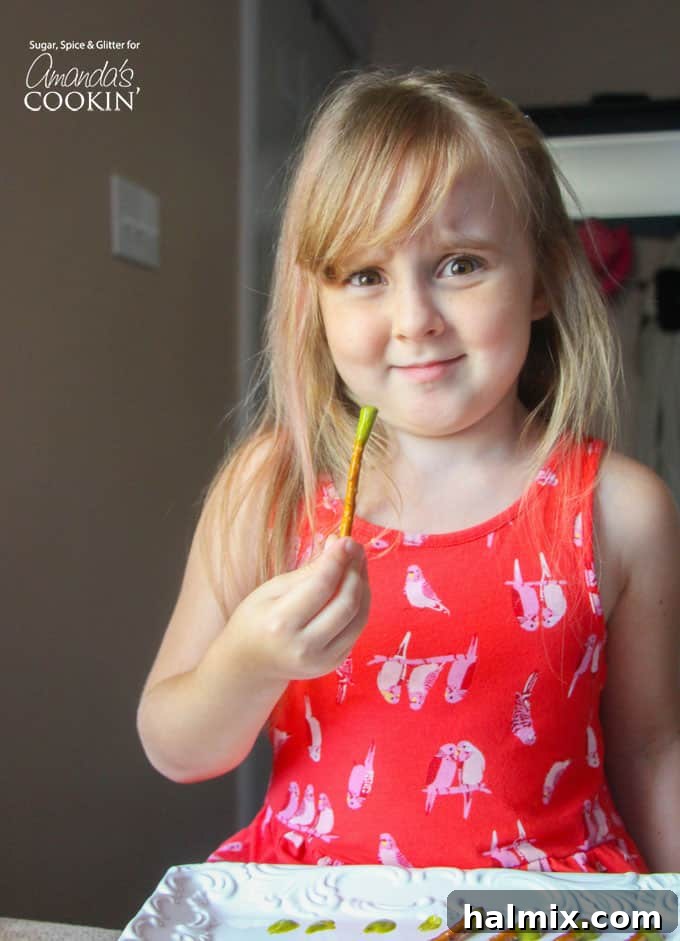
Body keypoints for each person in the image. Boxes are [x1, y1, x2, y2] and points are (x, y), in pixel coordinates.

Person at [137, 68, 680, 873]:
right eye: (365, 276)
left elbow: (651, 750)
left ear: (542, 279)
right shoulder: (271, 490)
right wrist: (249, 664)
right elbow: (176, 747)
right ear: (313, 303)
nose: (415, 319)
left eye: (460, 263)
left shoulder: (620, 510)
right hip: (318, 907)